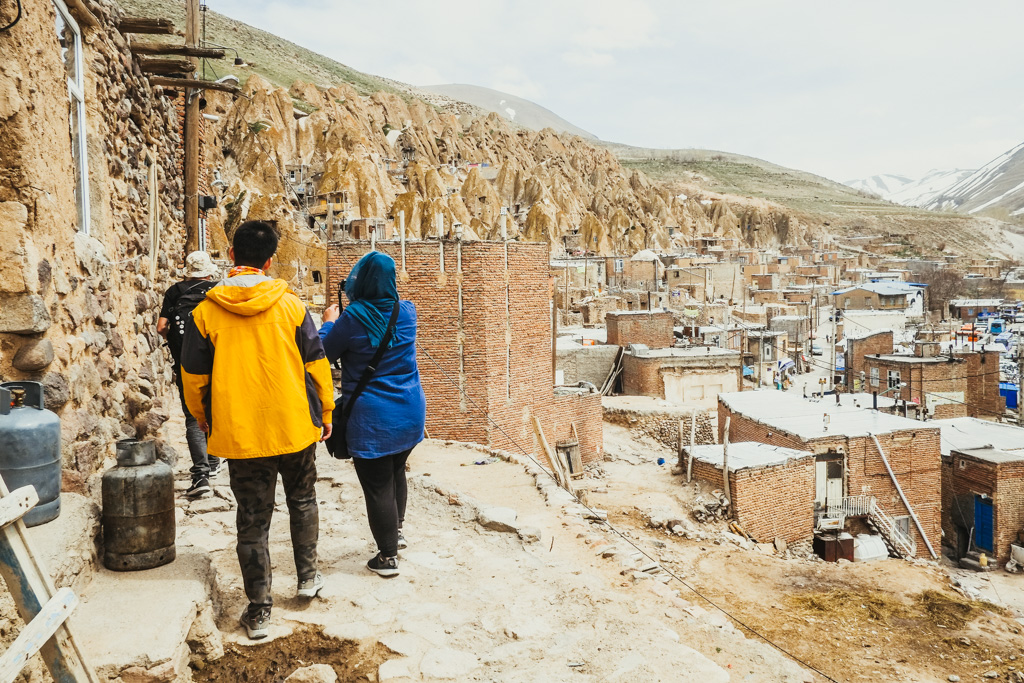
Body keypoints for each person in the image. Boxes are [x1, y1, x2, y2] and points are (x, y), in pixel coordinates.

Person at [180, 221, 335, 640]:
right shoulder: (290, 305)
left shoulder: (205, 312)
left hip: (242, 433)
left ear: (232, 257)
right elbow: (316, 362)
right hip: (294, 426)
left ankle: (260, 608)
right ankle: (308, 578)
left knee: (252, 520)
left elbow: (193, 376)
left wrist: (202, 417)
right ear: (269, 261)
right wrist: (326, 410)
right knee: (303, 499)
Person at [320, 251, 426, 579]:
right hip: (409, 410)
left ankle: (388, 556)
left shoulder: (353, 318)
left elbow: (323, 351)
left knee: (377, 484)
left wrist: (328, 322)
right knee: (396, 471)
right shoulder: (406, 311)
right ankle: (397, 531)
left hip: (372, 417)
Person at [157, 251, 221, 498]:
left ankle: (201, 475)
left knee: (193, 416)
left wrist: (175, 342)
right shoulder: (217, 290)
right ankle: (214, 461)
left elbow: (161, 326)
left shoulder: (175, 291)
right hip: (218, 361)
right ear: (209, 271)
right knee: (216, 409)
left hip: (187, 362)